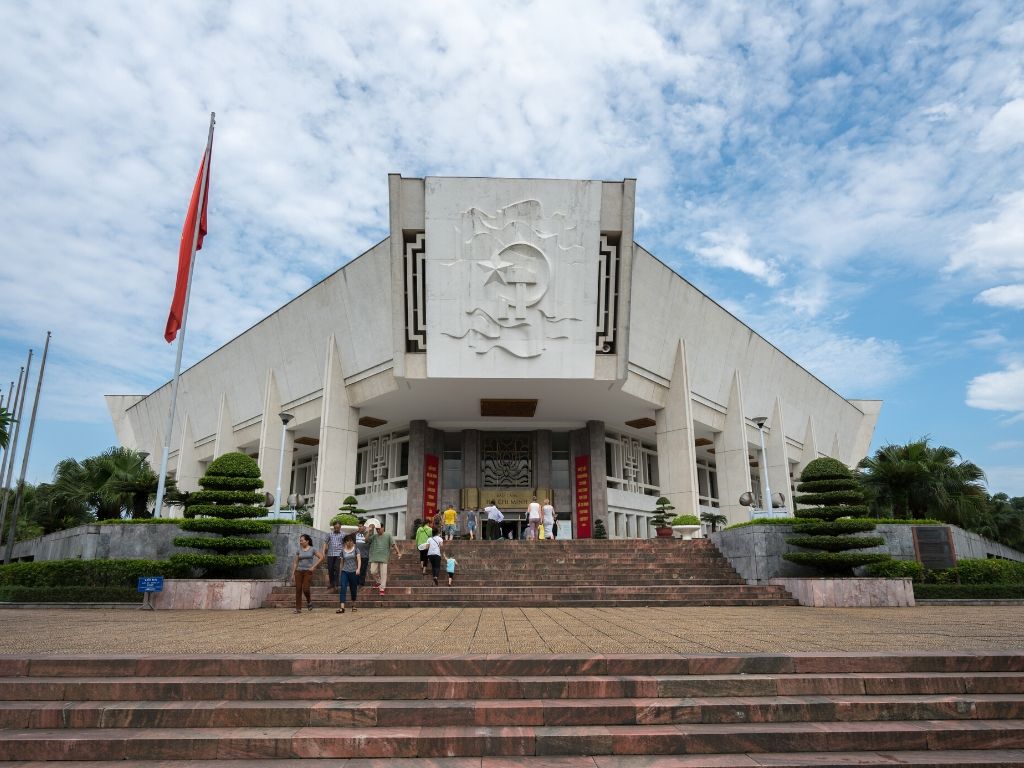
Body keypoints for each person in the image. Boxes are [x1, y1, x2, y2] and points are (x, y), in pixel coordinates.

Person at [366, 520, 401, 596]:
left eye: (379, 529)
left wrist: (398, 552)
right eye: (377, 529)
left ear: (383, 528)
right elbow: (366, 540)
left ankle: (382, 588)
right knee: (372, 571)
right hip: (374, 556)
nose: (378, 530)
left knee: (383, 573)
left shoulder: (388, 535)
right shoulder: (374, 536)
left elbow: (393, 544)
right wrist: (369, 531)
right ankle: (378, 581)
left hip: (384, 557)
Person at [291, 533, 324, 614]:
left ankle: (309, 602)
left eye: (302, 540)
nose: (300, 542)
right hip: (298, 571)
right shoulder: (299, 550)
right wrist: (293, 573)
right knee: (298, 589)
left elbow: (321, 557)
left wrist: (314, 567)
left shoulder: (312, 549)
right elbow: (295, 562)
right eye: (300, 541)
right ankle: (298, 608)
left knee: (305, 589)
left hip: (308, 572)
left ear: (307, 541)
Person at [336, 534, 361, 614]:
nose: (349, 542)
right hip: (345, 571)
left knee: (353, 588)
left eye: (350, 541)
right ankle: (342, 607)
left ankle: (354, 605)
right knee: (343, 587)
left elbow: (359, 560)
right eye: (347, 541)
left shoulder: (356, 549)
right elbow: (341, 562)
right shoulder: (342, 551)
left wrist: (358, 569)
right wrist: (340, 571)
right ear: (345, 542)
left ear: (352, 541)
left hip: (353, 571)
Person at [324, 521, 346, 590]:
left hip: (339, 554)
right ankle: (331, 583)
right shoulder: (329, 534)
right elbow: (325, 543)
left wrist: (344, 553)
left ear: (340, 527)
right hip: (330, 554)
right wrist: (324, 551)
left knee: (337, 569)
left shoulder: (343, 534)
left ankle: (336, 584)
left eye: (338, 528)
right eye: (335, 528)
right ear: (333, 527)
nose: (337, 529)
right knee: (330, 569)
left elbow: (345, 544)